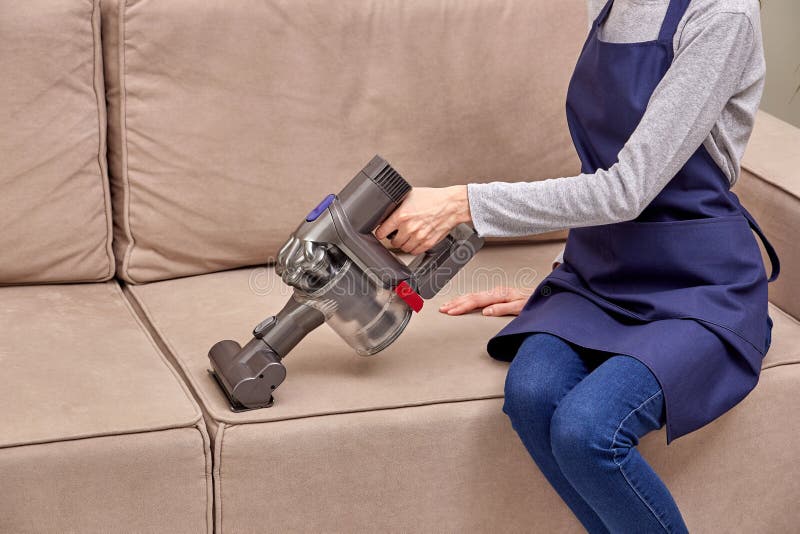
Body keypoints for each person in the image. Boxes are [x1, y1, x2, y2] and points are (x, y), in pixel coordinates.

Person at [374, 0, 780, 532]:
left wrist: (462, 202)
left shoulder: (720, 15)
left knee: (587, 429)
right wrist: (568, 271)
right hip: (600, 275)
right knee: (532, 394)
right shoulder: (609, 5)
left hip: (697, 286)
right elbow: (604, 164)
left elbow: (629, 189)